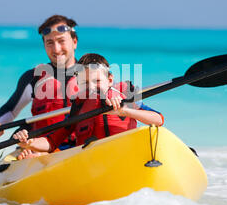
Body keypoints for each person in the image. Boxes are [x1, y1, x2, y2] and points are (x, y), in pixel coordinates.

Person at [13, 53, 164, 160]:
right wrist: (29, 142)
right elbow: (52, 142)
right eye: (85, 83)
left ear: (110, 79)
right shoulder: (78, 108)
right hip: (91, 163)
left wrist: (124, 111)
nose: (91, 88)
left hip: (123, 156)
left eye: (97, 81)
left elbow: (158, 119)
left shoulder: (126, 97)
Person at [0, 15, 80, 149]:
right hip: (38, 148)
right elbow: (10, 110)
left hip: (79, 148)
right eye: (49, 43)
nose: (56, 49)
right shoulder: (33, 78)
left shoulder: (95, 75)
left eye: (61, 41)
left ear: (74, 42)